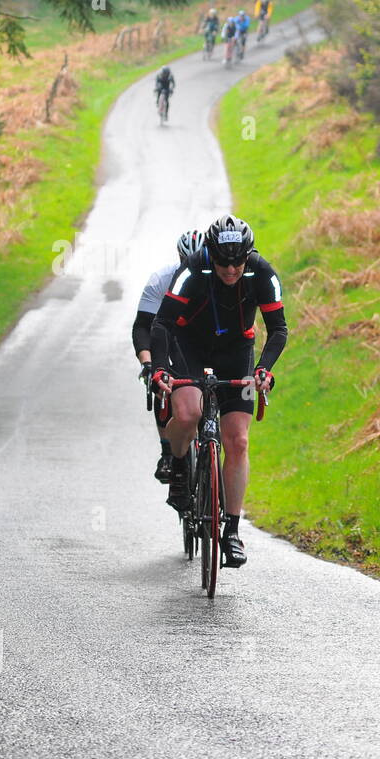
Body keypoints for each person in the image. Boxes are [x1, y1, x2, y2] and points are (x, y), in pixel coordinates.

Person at [150, 215, 288, 568]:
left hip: (236, 351)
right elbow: (163, 323)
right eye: (224, 261)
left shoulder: (262, 272)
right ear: (211, 253)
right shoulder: (194, 269)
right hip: (189, 347)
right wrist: (162, 368)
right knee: (188, 412)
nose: (231, 269)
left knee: (238, 441)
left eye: (238, 260)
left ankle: (232, 530)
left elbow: (278, 329)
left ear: (248, 254)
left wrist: (263, 370)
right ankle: (179, 464)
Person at [133, 230, 205, 484]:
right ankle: (168, 451)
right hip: (170, 337)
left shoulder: (217, 278)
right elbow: (143, 326)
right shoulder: (161, 279)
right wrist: (148, 363)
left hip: (203, 339)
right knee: (162, 382)